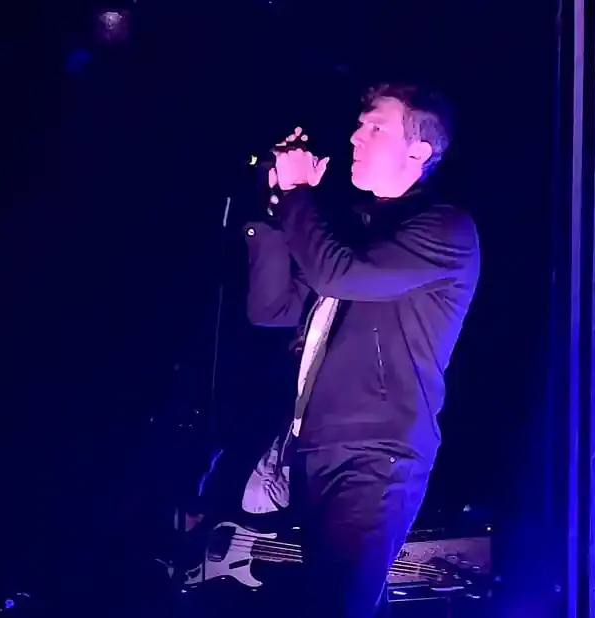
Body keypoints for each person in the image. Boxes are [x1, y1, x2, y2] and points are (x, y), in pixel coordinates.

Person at [242, 83, 480, 617]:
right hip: (316, 444)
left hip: (378, 451)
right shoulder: (355, 226)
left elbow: (338, 272)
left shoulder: (444, 229)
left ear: (419, 151)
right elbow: (273, 309)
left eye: (376, 127)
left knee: (336, 603)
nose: (356, 134)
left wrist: (302, 197)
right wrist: (276, 206)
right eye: (359, 123)